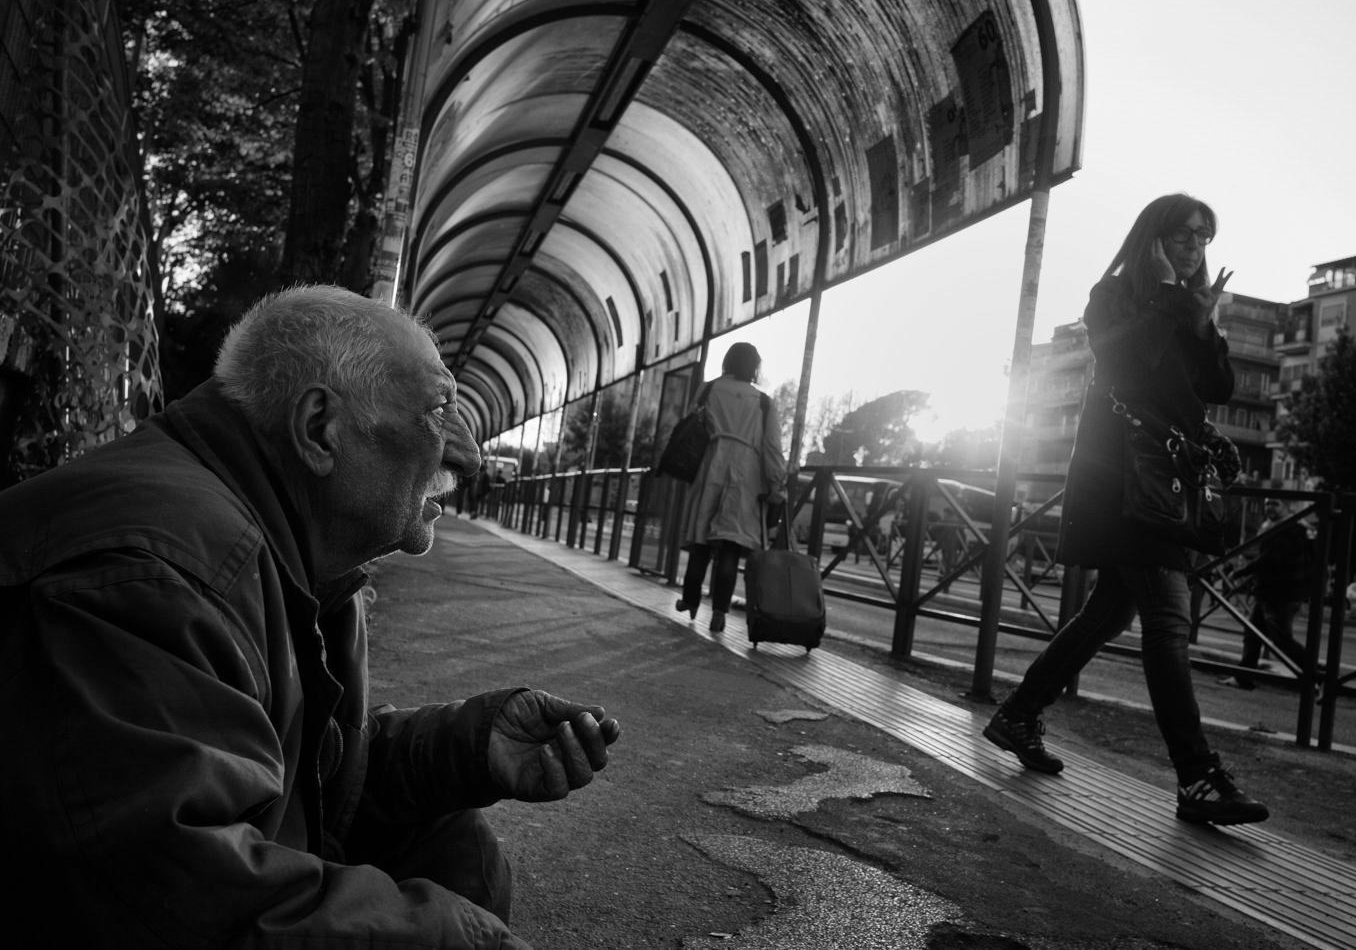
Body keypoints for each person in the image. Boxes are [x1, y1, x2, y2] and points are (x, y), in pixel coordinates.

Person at [0, 285, 621, 948]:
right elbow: (180, 900)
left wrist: (467, 746)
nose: (464, 457)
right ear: (320, 427)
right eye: (439, 410)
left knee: (454, 845)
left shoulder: (281, 546)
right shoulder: (157, 575)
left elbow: (305, 769)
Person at [980, 193, 1270, 827]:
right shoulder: (1110, 294)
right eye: (1185, 234)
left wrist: (1204, 323)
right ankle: (1197, 777)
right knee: (1167, 616)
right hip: (1121, 481)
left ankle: (1018, 715)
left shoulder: (1188, 308)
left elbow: (1217, 389)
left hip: (1161, 483)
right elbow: (1123, 361)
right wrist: (1170, 303)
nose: (1196, 247)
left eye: (1204, 238)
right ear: (1153, 237)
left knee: (1108, 613)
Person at [674, 341, 786, 632]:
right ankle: (720, 612)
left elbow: (691, 423)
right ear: (754, 367)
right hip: (746, 476)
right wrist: (777, 482)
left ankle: (690, 599)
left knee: (701, 540)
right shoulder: (764, 402)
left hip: (712, 463)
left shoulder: (709, 389)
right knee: (730, 546)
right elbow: (773, 448)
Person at [1219, 500, 1315, 689]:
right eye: (1267, 504)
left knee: (1281, 640)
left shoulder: (1291, 529)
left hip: (1281, 593)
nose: (1269, 507)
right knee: (1253, 634)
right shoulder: (1279, 527)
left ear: (1289, 507)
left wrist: (1240, 571)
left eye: (1275, 504)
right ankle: (1244, 677)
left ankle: (1319, 675)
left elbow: (1271, 559)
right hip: (1271, 592)